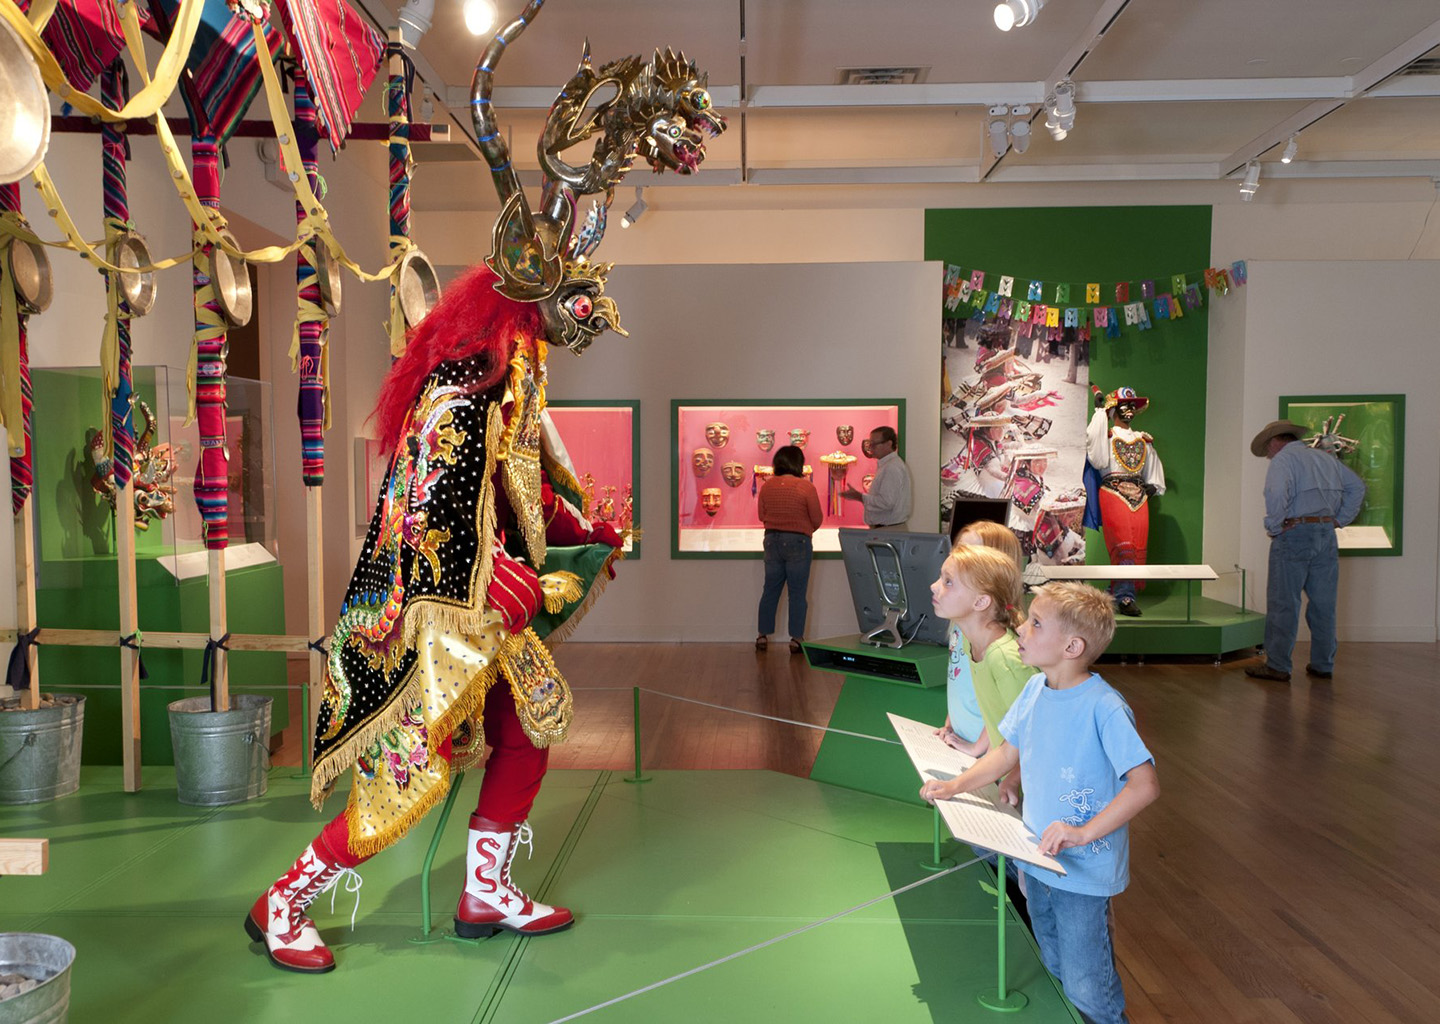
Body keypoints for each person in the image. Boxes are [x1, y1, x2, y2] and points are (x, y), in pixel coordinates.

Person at [243, 268, 627, 973]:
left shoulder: (517, 375)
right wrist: (494, 575)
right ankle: (283, 902)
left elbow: (526, 480)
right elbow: (429, 508)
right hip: (428, 614)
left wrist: (581, 526)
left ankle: (485, 892)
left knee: (529, 730)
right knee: (411, 771)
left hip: (487, 610)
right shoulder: (462, 386)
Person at [921, 582, 1159, 1024]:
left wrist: (1082, 832)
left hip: (1083, 872)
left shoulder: (1104, 707)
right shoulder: (1034, 692)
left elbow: (1144, 784)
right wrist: (955, 786)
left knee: (1088, 983)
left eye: (1035, 623)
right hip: (1037, 859)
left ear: (1072, 645)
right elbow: (1005, 753)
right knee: (1052, 963)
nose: (1022, 629)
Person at [1245, 419, 1366, 683]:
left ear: (1274, 442)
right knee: (1324, 604)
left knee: (1283, 603)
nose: (1267, 455)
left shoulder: (1283, 461)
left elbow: (1277, 494)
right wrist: (1338, 519)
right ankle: (1323, 663)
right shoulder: (1324, 459)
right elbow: (1357, 487)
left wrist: (1275, 526)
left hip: (1294, 535)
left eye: (1267, 449)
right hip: (1325, 534)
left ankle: (1278, 665)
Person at [932, 521, 1023, 756]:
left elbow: (1007, 712)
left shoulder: (1003, 651)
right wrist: (951, 723)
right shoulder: (962, 630)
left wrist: (978, 747)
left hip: (988, 754)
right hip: (966, 743)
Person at [1086, 386, 1165, 617]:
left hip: (1139, 497)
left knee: (1137, 545)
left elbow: (1152, 466)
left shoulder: (1143, 439)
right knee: (1123, 545)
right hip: (1113, 493)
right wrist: (1099, 412)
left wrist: (1153, 485)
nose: (1130, 410)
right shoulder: (1107, 437)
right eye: (1124, 405)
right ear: (1113, 409)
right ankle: (1125, 597)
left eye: (1132, 406)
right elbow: (1097, 457)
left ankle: (1113, 591)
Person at [756, 444, 823, 654]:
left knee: (770, 590)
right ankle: (796, 638)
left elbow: (761, 515)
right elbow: (817, 519)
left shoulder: (767, 486)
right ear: (798, 463)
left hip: (771, 540)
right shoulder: (806, 487)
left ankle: (762, 635)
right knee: (797, 593)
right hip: (798, 542)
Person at [842, 425, 912, 529]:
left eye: (874, 444)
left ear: (889, 444)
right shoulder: (887, 465)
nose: (870, 448)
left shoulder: (892, 468)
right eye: (870, 444)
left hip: (888, 530)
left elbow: (886, 503)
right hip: (884, 529)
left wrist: (860, 497)